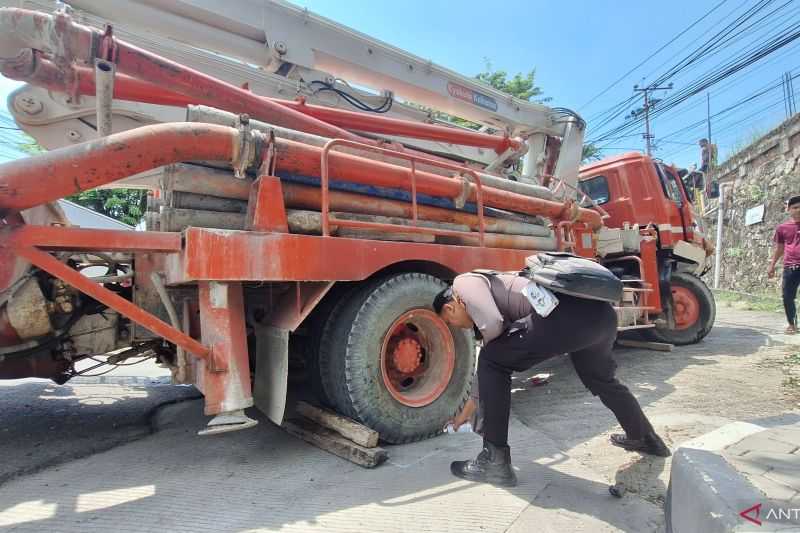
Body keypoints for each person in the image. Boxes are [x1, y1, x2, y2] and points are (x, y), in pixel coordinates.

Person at [433, 272, 670, 487]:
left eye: (450, 322)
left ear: (451, 308)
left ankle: (494, 461)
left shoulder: (463, 283)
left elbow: (493, 327)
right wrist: (464, 415)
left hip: (562, 319)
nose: (458, 327)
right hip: (602, 318)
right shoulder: (499, 282)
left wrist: (492, 350)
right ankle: (645, 438)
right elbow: (486, 376)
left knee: (491, 360)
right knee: (603, 381)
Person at [768, 195, 800, 334]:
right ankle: (792, 324)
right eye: (795, 207)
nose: (798, 210)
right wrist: (772, 265)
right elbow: (780, 248)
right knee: (787, 297)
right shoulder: (782, 228)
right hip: (790, 267)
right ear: (788, 209)